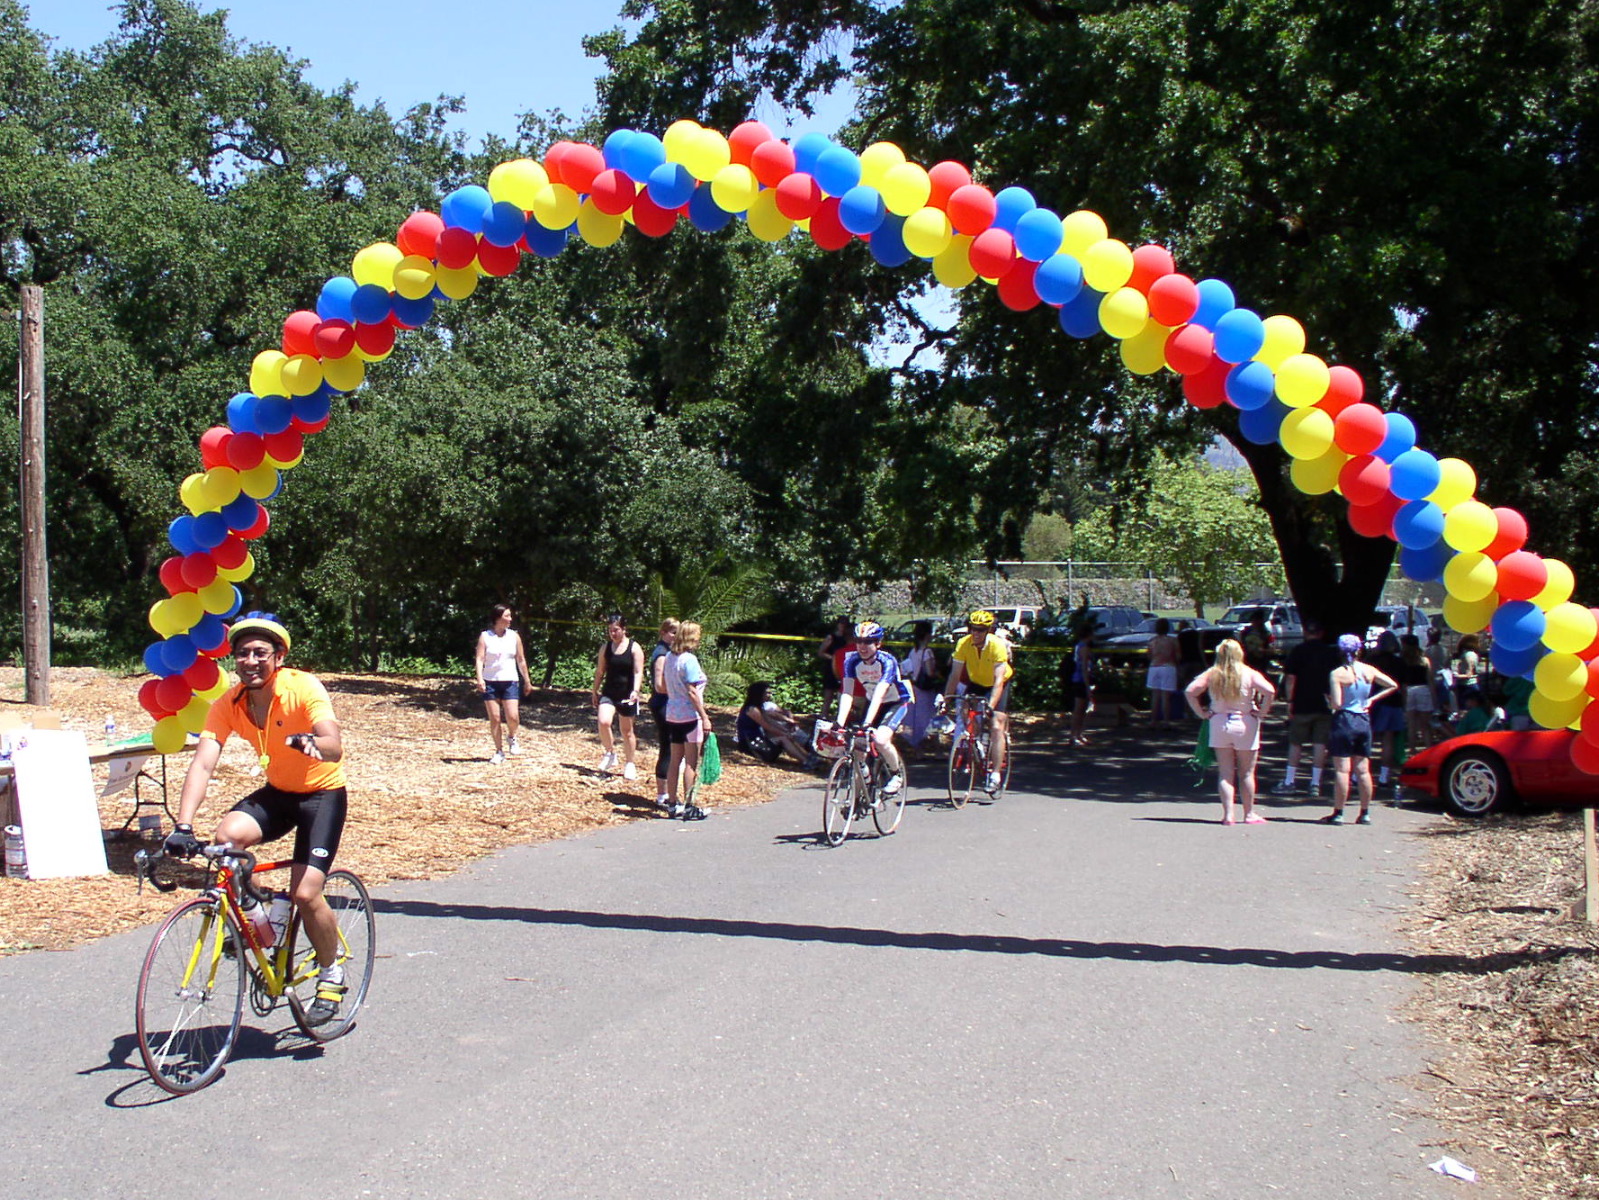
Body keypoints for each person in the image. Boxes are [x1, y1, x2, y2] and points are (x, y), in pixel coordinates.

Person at [165, 614, 350, 1027]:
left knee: (306, 893)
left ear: (279, 657)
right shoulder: (229, 704)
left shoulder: (302, 687)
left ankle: (331, 972)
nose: (250, 661)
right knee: (226, 839)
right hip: (280, 793)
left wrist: (313, 743)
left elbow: (334, 744)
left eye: (260, 653)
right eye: (243, 653)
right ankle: (263, 914)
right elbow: (203, 764)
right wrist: (182, 826)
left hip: (322, 796)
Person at [1184, 638, 1277, 825]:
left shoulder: (1213, 673)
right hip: (1245, 721)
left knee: (1225, 773)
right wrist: (1262, 712)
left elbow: (1190, 691)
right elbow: (1269, 691)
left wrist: (1202, 713)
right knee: (1247, 773)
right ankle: (1249, 813)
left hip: (1219, 721)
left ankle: (1228, 815)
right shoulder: (1249, 673)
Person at [1322, 632, 1399, 825]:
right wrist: (1371, 700)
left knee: (1342, 770)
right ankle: (1365, 812)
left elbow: (1338, 704)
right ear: (1359, 650)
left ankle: (1339, 812)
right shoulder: (1368, 670)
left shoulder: (1337, 673)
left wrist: (1329, 701)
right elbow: (1392, 685)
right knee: (1363, 770)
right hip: (1363, 720)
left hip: (1344, 719)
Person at [837, 621, 910, 796]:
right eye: (859, 641)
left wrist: (868, 723)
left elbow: (880, 693)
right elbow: (847, 693)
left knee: (880, 739)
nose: (862, 646)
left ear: (878, 643)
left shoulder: (887, 661)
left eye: (868, 642)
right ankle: (861, 791)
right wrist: (839, 723)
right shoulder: (851, 660)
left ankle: (896, 774)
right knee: (857, 745)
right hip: (872, 702)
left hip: (895, 702)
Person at [944, 609, 1016, 789]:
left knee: (995, 724)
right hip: (977, 682)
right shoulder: (963, 643)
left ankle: (996, 774)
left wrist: (990, 706)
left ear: (988, 630)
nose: (976, 633)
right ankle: (975, 744)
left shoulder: (997, 645)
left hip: (997, 683)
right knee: (967, 714)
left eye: (981, 629)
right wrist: (946, 700)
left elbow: (999, 680)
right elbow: (954, 675)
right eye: (973, 628)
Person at [1273, 619, 1340, 795]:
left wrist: (1290, 701)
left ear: (1305, 632)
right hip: (1323, 703)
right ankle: (1315, 783)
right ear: (1321, 633)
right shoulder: (1330, 653)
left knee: (1296, 743)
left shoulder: (1297, 651)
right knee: (1320, 744)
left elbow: (1290, 678)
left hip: (1301, 702)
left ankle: (1289, 780)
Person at [661, 621, 712, 820]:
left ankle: (672, 803)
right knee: (691, 763)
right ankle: (690, 805)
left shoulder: (669, 657)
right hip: (690, 716)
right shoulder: (689, 660)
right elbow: (692, 691)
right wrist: (704, 716)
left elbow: (665, 684)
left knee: (675, 761)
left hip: (673, 713)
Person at [473, 603, 532, 765]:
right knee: (495, 718)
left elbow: (521, 659)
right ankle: (499, 751)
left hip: (510, 681)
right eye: (507, 616)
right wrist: (479, 678)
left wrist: (527, 680)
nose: (510, 619)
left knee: (513, 717)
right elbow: (479, 659)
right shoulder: (485, 636)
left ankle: (512, 736)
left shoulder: (514, 636)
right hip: (490, 681)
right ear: (498, 618)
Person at [590, 614, 645, 779]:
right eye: (610, 630)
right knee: (603, 721)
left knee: (627, 731)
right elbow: (600, 671)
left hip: (627, 695)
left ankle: (629, 763)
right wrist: (594, 690)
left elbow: (638, 671)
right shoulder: (605, 648)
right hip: (609, 692)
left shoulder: (634, 648)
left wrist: (635, 691)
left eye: (616, 630)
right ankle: (610, 753)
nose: (612, 634)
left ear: (624, 629)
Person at [736, 681, 819, 767]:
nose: (769, 695)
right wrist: (784, 733)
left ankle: (807, 757)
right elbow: (767, 726)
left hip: (759, 740)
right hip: (751, 744)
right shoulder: (752, 709)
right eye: (767, 693)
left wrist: (786, 731)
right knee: (783, 738)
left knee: (786, 736)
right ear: (759, 693)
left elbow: (772, 722)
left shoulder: (760, 708)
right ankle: (805, 761)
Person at [647, 618, 679, 809]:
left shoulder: (672, 652)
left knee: (675, 747)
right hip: (662, 704)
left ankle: (671, 789)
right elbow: (659, 686)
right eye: (672, 632)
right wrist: (680, 689)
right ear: (663, 633)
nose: (675, 636)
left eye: (678, 632)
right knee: (667, 747)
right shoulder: (661, 654)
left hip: (672, 704)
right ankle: (662, 794)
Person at [1369, 630, 1407, 789]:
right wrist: (1404, 705)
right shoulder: (1400, 663)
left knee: (1367, 739)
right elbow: (1403, 687)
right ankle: (1384, 777)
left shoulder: (1372, 661)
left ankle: (1360, 774)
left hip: (1373, 702)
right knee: (1388, 740)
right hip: (1394, 703)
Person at [903, 620, 943, 747]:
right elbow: (930, 672)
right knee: (929, 717)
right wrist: (939, 674)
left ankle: (916, 748)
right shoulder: (927, 652)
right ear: (927, 635)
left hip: (915, 686)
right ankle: (935, 747)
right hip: (925, 689)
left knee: (916, 718)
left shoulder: (912, 651)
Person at [1400, 634, 1436, 754]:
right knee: (1425, 725)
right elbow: (1430, 679)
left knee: (1411, 725)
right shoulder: (1424, 660)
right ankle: (1429, 750)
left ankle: (1412, 750)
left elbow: (1402, 681)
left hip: (1408, 689)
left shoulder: (1402, 660)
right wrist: (1434, 696)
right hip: (1423, 689)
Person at [1146, 618, 1180, 730]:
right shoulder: (1172, 640)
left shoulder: (1152, 641)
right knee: (1166, 696)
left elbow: (1149, 655)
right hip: (1168, 666)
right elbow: (1178, 655)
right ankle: (1166, 721)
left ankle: (1153, 720)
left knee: (1155, 696)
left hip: (1154, 666)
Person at [1064, 623, 1094, 747]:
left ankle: (1079, 734)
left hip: (1080, 680)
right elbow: (1084, 668)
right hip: (1080, 680)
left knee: (1083, 710)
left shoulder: (1079, 646)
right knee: (1079, 709)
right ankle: (1073, 735)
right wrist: (1087, 685)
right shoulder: (1084, 648)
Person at [817, 616, 853, 712]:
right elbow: (821, 652)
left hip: (843, 668)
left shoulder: (848, 639)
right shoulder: (831, 637)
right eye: (841, 623)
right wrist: (834, 658)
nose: (843, 626)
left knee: (843, 694)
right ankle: (824, 715)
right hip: (831, 668)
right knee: (828, 695)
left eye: (845, 624)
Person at [1452, 634, 1482, 707]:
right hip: (1472, 685)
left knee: (1464, 709)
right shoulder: (1473, 654)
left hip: (1467, 686)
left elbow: (1469, 674)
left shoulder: (1468, 655)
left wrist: (1456, 676)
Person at [1242, 613, 1274, 677]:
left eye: (1256, 620)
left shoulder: (1266, 633)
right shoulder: (1246, 632)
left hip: (1261, 660)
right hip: (1248, 658)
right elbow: (1242, 644)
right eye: (1253, 620)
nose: (1254, 622)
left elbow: (1271, 649)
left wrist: (1263, 650)